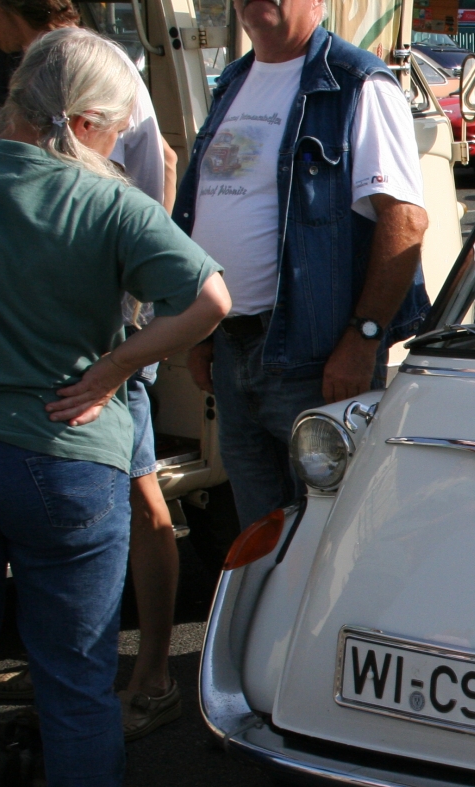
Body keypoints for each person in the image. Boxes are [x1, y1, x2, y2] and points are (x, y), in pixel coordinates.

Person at [0, 27, 230, 787]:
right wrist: (110, 370)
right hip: (66, 461)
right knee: (76, 678)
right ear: (90, 121)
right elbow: (210, 300)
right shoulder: (110, 205)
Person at [0, 0, 182, 737]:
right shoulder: (83, 77)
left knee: (140, 498)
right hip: (83, 371)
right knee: (123, 502)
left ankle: (153, 668)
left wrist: (127, 318)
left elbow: (158, 171)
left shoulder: (88, 77)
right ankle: (100, 671)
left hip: (91, 360)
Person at [173, 0, 429, 532]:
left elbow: (404, 222)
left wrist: (363, 338)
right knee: (260, 542)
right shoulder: (235, 81)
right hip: (230, 347)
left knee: (329, 538)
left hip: (313, 362)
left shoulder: (358, 83)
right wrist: (197, 335)